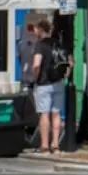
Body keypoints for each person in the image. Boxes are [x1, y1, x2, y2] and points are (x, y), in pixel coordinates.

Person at [31, 19, 73, 154]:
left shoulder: (40, 45)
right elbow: (69, 64)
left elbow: (36, 64)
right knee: (56, 114)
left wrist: (35, 77)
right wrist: (65, 75)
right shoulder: (58, 44)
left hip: (44, 83)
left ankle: (44, 145)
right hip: (58, 83)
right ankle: (55, 145)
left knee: (44, 114)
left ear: (40, 30)